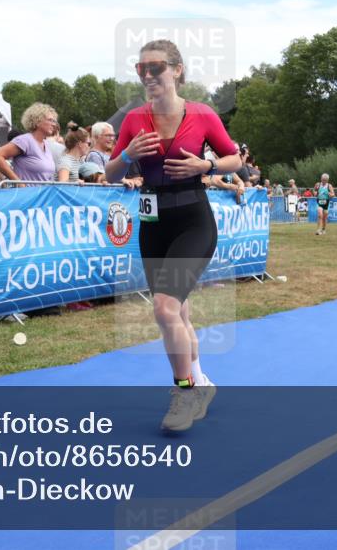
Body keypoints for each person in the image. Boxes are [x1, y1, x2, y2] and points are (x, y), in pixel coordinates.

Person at [104, 39, 241, 433]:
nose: (148, 76)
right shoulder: (133, 119)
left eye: (157, 67)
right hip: (152, 224)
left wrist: (207, 164)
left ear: (177, 70)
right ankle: (201, 381)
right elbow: (110, 174)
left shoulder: (201, 114)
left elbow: (234, 159)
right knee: (177, 311)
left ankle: (184, 391)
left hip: (193, 220)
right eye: (141, 69)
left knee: (164, 308)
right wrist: (127, 154)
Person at [0, 102, 59, 184]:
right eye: (50, 120)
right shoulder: (24, 140)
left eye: (54, 121)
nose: (54, 124)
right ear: (37, 121)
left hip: (43, 195)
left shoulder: (46, 144)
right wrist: (18, 182)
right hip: (27, 195)